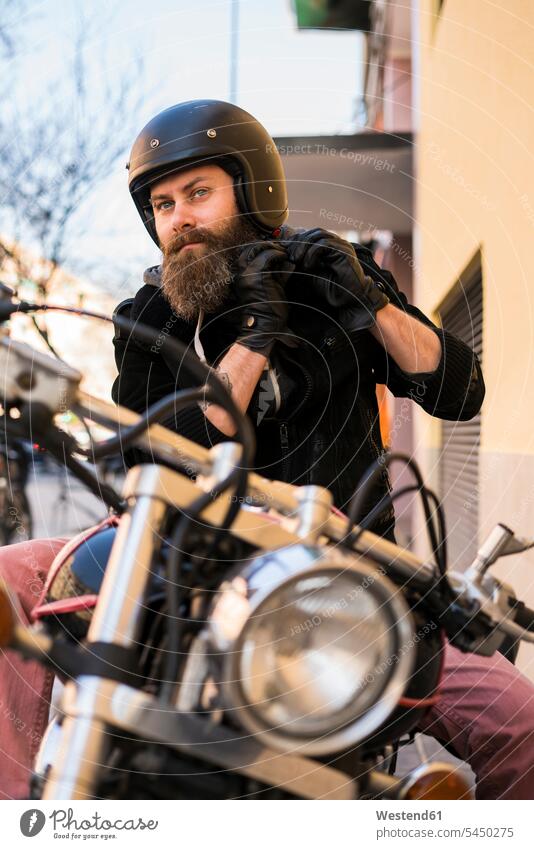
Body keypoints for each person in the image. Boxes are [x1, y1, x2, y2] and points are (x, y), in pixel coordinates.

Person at [0, 100, 533, 800]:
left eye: (198, 194)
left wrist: (368, 297)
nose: (179, 219)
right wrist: (255, 332)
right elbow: (158, 461)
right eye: (162, 205)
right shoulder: (149, 316)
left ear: (253, 192)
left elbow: (457, 391)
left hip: (350, 583)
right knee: (14, 579)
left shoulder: (325, 279)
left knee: (518, 722)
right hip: (184, 575)